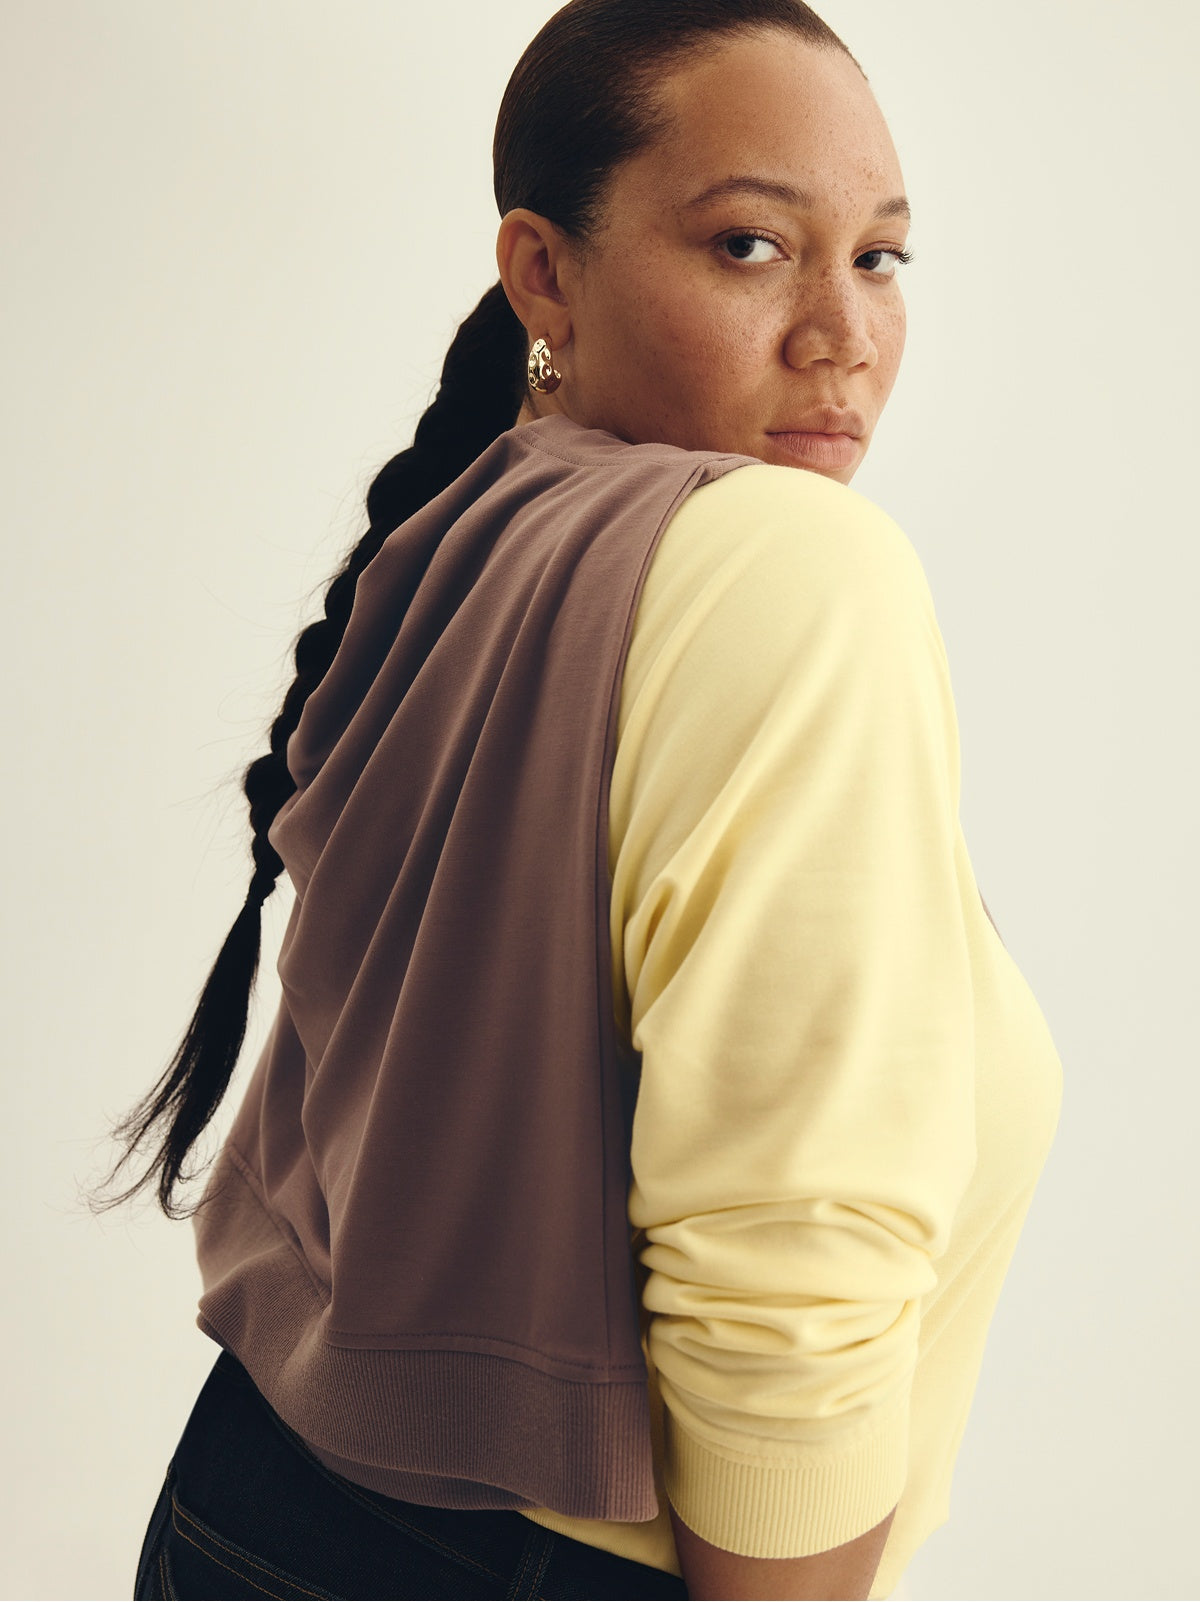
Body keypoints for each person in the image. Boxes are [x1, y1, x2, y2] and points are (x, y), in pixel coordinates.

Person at [94, 2, 1063, 1597]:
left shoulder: (468, 535)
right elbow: (787, 1256)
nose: (842, 331)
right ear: (542, 272)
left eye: (881, 257)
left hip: (251, 1494)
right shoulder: (797, 567)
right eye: (752, 246)